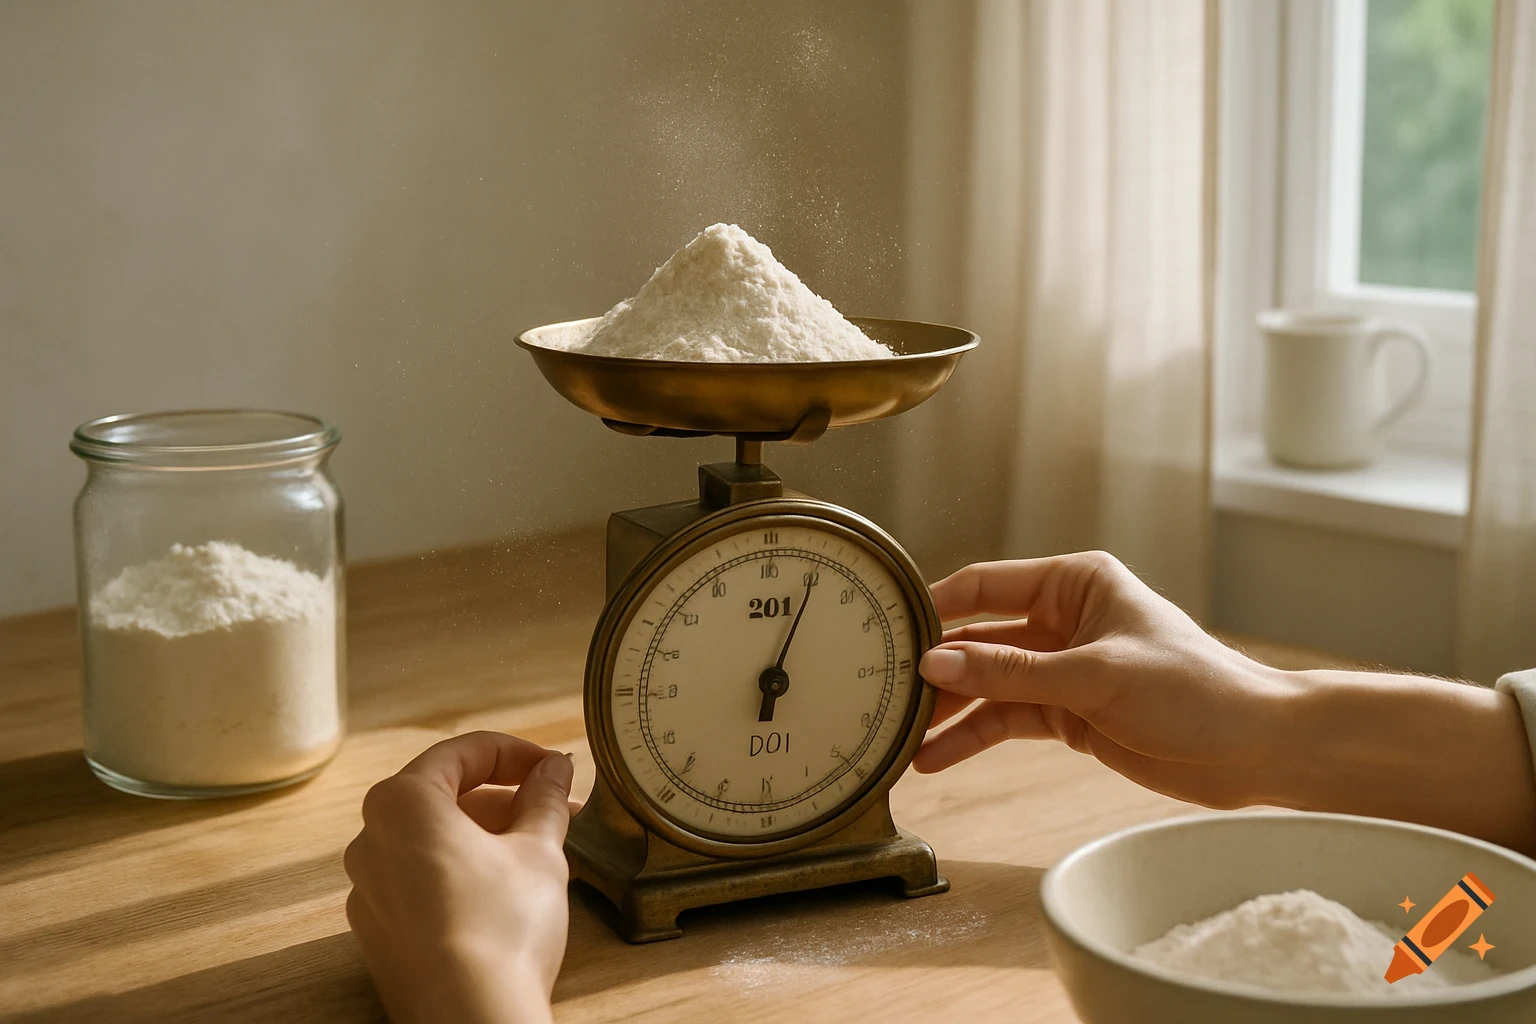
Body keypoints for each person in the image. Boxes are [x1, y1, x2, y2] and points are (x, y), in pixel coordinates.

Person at [344, 550, 1536, 1022]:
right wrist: (1268, 722)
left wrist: (471, 977)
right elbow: (1452, 926)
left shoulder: (1451, 930)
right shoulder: (1458, 925)